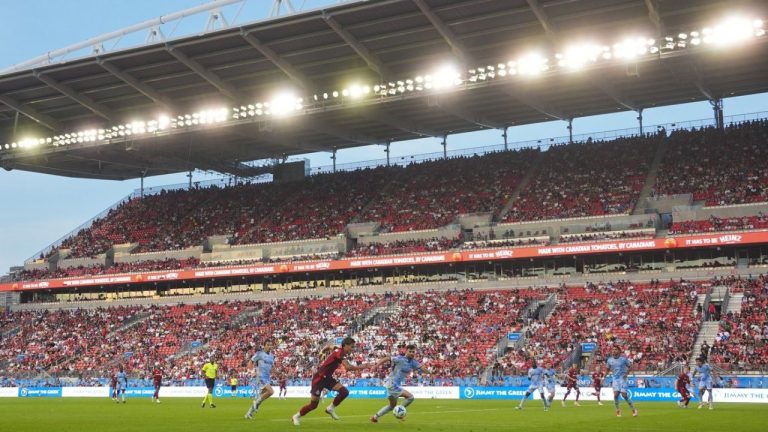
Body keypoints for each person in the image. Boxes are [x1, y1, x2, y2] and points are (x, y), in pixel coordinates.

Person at [292, 337, 373, 426]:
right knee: (313, 405)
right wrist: (364, 366)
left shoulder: (338, 349)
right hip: (319, 379)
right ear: (345, 345)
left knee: (344, 392)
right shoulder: (340, 353)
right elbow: (348, 367)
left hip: (328, 378)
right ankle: (296, 416)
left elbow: (329, 346)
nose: (352, 349)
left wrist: (322, 351)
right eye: (351, 346)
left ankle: (330, 408)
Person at [370, 344, 421, 423]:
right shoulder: (400, 359)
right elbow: (387, 358)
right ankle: (399, 411)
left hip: (391, 384)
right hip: (392, 384)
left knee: (392, 406)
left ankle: (375, 417)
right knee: (410, 397)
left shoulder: (411, 362)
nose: (412, 353)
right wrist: (376, 366)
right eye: (410, 351)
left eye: (413, 352)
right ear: (406, 351)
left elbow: (419, 367)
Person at [245, 340, 275, 419]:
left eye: (270, 345)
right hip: (260, 376)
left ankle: (249, 414)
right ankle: (256, 402)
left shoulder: (272, 356)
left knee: (261, 398)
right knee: (271, 391)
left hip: (267, 377)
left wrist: (277, 373)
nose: (269, 346)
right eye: (268, 345)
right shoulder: (259, 354)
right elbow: (251, 362)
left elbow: (272, 367)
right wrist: (252, 371)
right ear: (264, 346)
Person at [606, 346, 637, 417]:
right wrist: (603, 378)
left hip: (622, 378)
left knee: (624, 395)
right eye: (613, 349)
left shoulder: (623, 359)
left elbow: (630, 366)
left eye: (615, 349)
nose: (613, 351)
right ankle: (617, 410)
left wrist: (626, 374)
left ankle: (633, 409)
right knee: (615, 395)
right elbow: (607, 369)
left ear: (619, 351)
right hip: (615, 379)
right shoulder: (609, 360)